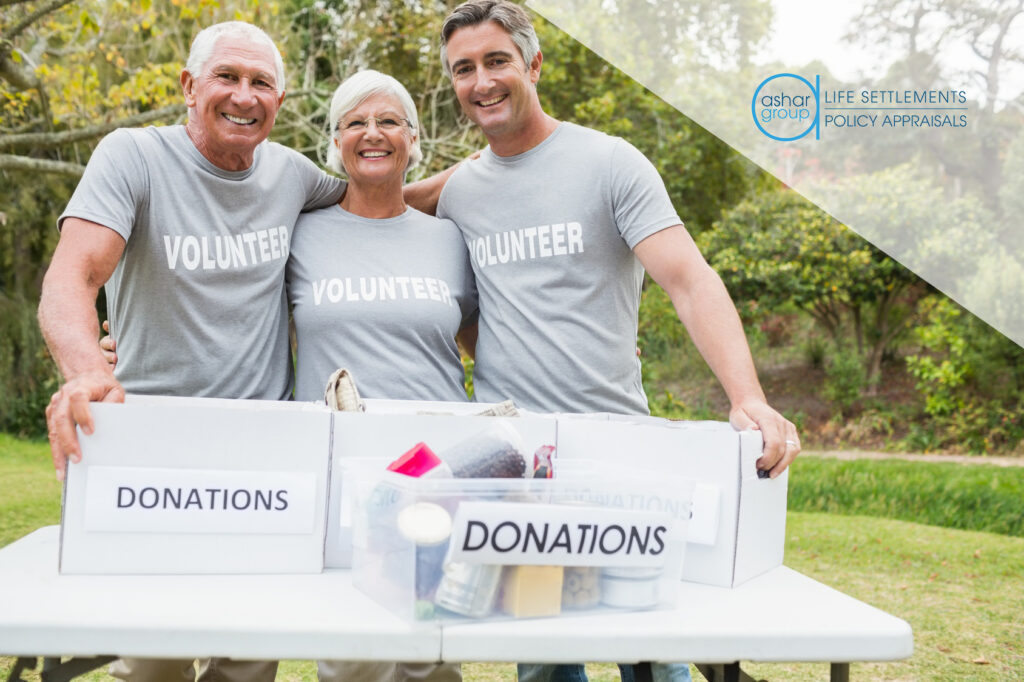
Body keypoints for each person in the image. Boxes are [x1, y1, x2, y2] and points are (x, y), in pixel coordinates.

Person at [37, 20, 439, 682]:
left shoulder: (292, 177)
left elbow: (379, 194)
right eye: (227, 77)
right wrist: (86, 370)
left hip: (265, 458)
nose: (243, 96)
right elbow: (71, 277)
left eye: (261, 83)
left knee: (248, 658)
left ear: (279, 103)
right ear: (189, 86)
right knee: (151, 661)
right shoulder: (132, 157)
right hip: (151, 451)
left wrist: (481, 185)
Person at [433, 2, 802, 681]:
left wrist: (748, 397)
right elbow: (384, 204)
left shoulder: (609, 163)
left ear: (534, 64)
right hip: (524, 467)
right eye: (463, 69)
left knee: (655, 655)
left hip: (620, 453)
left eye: (496, 61)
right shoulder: (458, 192)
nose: (480, 81)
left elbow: (688, 280)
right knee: (545, 663)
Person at [286, 67, 477, 682]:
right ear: (334, 140)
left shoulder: (450, 238)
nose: (373, 133)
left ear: (413, 140)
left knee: (433, 654)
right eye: (356, 122)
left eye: (389, 121)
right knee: (351, 657)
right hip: (341, 468)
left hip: (436, 469)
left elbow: (481, 336)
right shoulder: (297, 232)